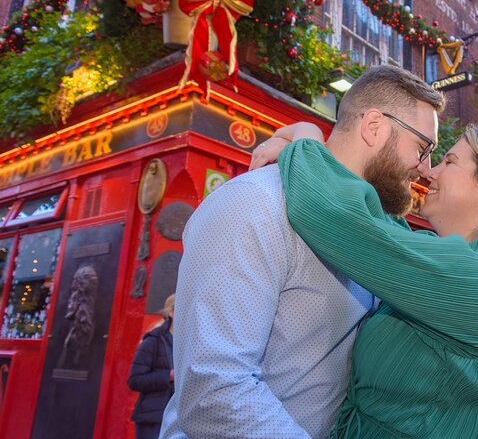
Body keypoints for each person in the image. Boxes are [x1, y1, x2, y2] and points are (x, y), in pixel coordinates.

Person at [159, 65, 446, 438]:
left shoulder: (373, 232)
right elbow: (212, 392)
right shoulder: (255, 203)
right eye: (424, 148)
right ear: (374, 126)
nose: (426, 169)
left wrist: (305, 136)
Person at [253, 121, 478, 438]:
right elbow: (375, 220)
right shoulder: (470, 264)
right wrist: (306, 150)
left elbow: (335, 218)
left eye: (449, 162)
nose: (429, 171)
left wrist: (307, 137)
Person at [128, 294, 176, 439]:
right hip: (153, 420)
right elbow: (135, 380)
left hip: (178, 418)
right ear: (171, 312)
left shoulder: (192, 342)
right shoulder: (153, 340)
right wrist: (169, 376)